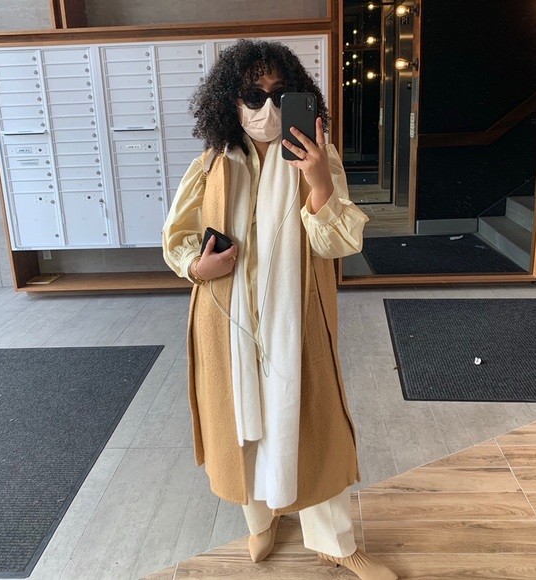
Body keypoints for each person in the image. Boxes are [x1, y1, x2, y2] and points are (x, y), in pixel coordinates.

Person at [162, 39, 398, 580]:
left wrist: (318, 180)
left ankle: (335, 542)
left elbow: (337, 242)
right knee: (242, 422)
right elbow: (176, 237)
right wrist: (197, 266)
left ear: (299, 98)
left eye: (280, 93)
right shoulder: (211, 166)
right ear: (231, 101)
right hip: (228, 323)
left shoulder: (318, 158)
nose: (267, 107)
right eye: (254, 95)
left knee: (310, 423)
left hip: (297, 320)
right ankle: (262, 519)